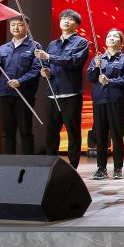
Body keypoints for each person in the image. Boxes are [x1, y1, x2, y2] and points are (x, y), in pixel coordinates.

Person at [35, 9, 90, 169]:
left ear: (77, 25)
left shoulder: (81, 42)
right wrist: (45, 71)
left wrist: (49, 57)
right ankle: (50, 165)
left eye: (70, 19)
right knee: (51, 132)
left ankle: (73, 166)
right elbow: (47, 65)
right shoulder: (52, 44)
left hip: (71, 93)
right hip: (52, 93)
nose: (66, 21)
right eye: (63, 18)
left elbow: (74, 62)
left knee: (73, 132)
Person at [0, 16, 41, 155]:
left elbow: (36, 70)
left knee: (25, 131)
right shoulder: (4, 48)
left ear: (27, 27)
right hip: (4, 93)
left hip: (24, 94)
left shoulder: (35, 46)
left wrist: (20, 81)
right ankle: (8, 163)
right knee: (7, 132)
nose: (16, 27)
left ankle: (27, 163)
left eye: (20, 25)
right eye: (13, 25)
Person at [85, 28, 124, 180]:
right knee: (101, 135)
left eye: (115, 36)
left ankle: (118, 168)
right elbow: (90, 78)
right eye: (109, 36)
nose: (111, 38)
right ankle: (101, 168)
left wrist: (109, 81)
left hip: (116, 101)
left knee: (117, 135)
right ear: (105, 41)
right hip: (99, 100)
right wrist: (95, 66)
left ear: (121, 43)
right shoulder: (98, 59)